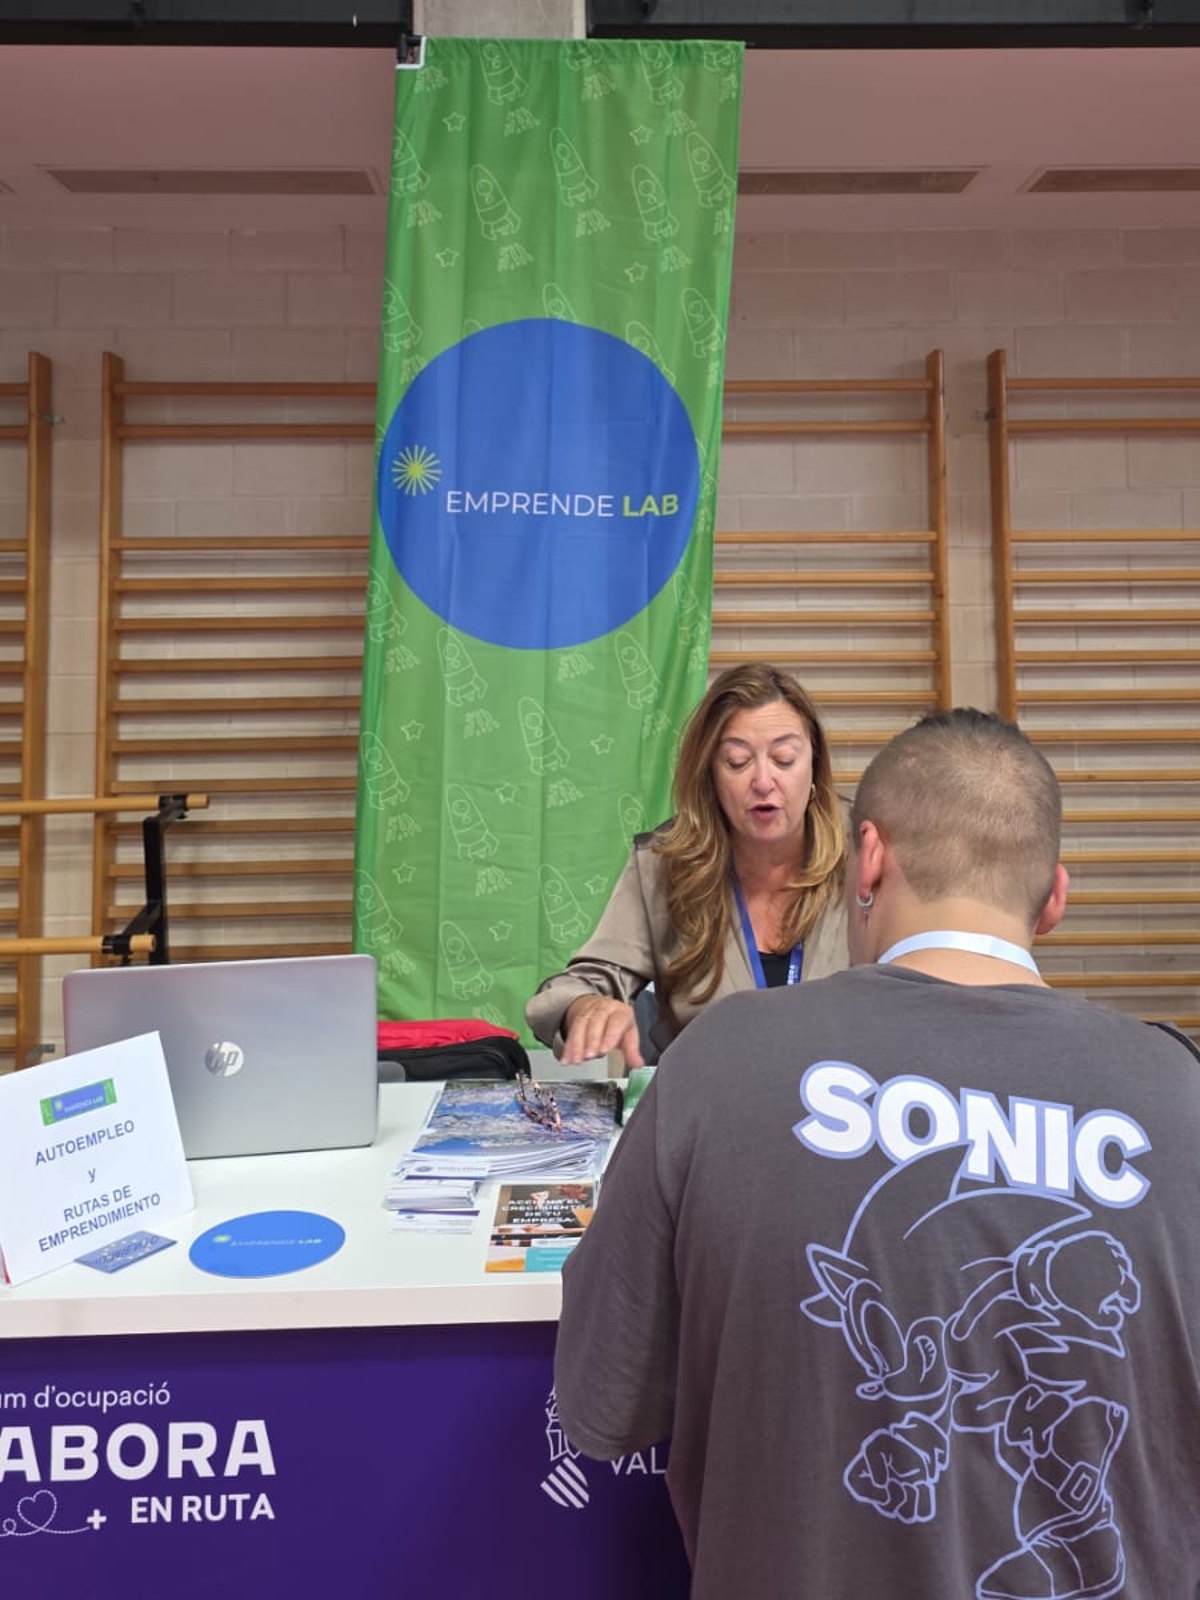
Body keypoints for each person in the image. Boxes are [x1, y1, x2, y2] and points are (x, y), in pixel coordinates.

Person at [554, 709, 1200, 1600]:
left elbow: (606, 1402)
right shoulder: (1181, 1091)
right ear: (1054, 897)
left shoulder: (718, 1057)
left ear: (867, 862)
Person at [525, 663, 847, 1065]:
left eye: (784, 759)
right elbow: (571, 990)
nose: (763, 781)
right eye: (737, 762)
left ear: (815, 766)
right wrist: (586, 1008)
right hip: (708, 1099)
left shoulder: (865, 855)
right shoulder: (667, 864)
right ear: (709, 774)